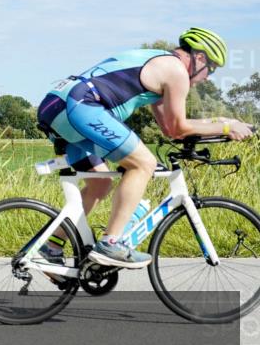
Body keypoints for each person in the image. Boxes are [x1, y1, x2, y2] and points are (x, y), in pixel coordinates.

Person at [35, 28, 254, 268]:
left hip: (58, 106)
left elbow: (170, 128)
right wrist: (226, 128)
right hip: (82, 106)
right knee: (143, 164)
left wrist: (219, 122)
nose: (208, 77)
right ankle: (110, 243)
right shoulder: (177, 71)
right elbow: (179, 128)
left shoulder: (160, 61)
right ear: (199, 58)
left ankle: (51, 248)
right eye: (211, 68)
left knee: (100, 184)